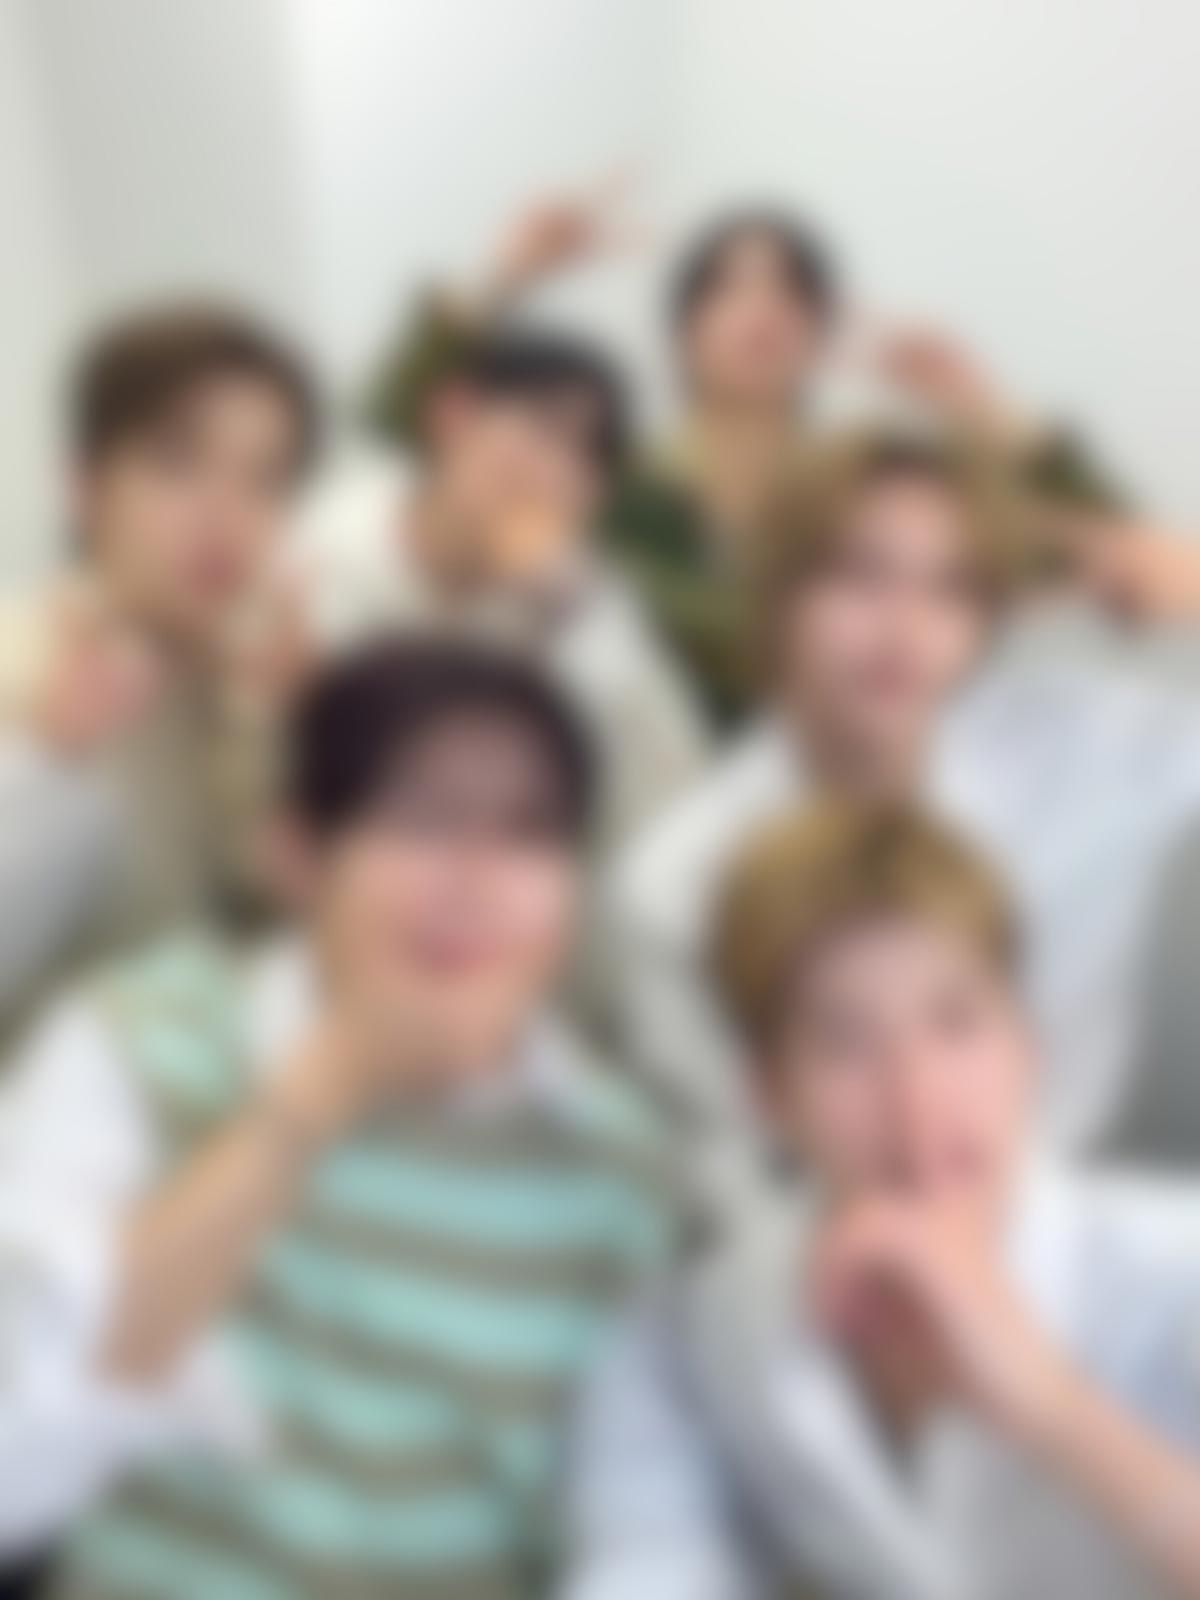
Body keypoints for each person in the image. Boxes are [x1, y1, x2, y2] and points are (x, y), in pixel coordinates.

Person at [0, 638, 673, 1598]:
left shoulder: (612, 1160)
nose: (477, 880)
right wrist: (321, 1090)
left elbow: (646, 1530)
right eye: (424, 821)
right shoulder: (138, 1043)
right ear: (295, 854)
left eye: (530, 835)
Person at [567, 806, 1200, 1600]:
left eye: (956, 1023)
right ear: (768, 1093)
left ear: (1027, 1047)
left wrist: (1053, 1407)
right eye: (845, 1043)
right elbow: (646, 1566)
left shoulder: (1177, 1269)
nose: (916, 1099)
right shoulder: (696, 1331)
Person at [611, 428, 1200, 1202]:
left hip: (1066, 1218)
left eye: (950, 590)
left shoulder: (1077, 745)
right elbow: (727, 1169)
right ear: (778, 595)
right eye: (860, 576)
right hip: (826, 1238)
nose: (905, 627)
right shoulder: (680, 874)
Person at [362, 183, 1140, 726]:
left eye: (790, 291)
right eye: (728, 288)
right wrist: (506, 276)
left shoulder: (867, 495)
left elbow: (1120, 556)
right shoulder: (614, 481)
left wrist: (985, 410)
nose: (762, 311)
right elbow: (390, 425)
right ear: (682, 330)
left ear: (821, 332)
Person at [0, 304, 320, 1037]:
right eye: (177, 463)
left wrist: (309, 743)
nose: (226, 514)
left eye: (267, 479)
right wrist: (43, 765)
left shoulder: (249, 685)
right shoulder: (21, 666)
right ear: (84, 487)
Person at [300, 328, 707, 844]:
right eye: (542, 430)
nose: (556, 473)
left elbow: (672, 799)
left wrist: (585, 617)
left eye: (589, 458)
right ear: (452, 415)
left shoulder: (581, 597)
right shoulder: (326, 533)